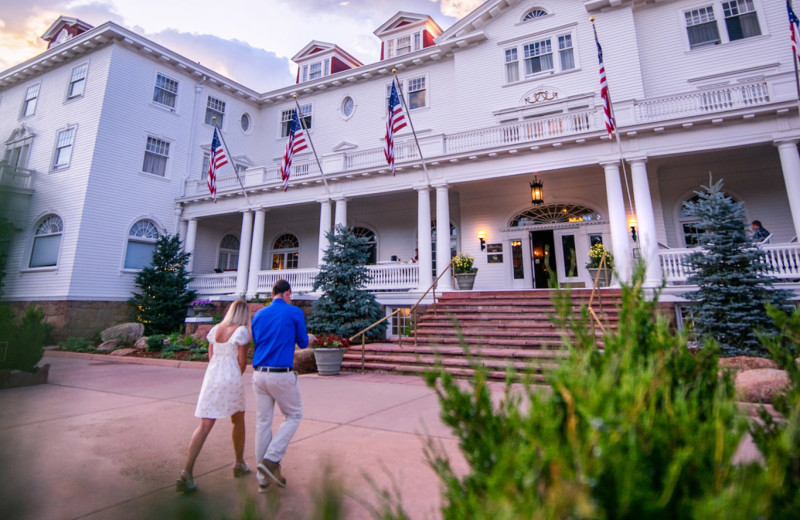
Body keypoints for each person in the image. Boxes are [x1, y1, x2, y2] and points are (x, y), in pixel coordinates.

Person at [176, 299, 252, 493]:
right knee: (238, 419)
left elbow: (211, 356)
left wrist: (218, 370)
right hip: (230, 378)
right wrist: (233, 374)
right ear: (244, 315)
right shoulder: (241, 332)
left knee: (204, 425)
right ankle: (238, 463)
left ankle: (187, 471)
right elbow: (242, 363)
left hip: (212, 377)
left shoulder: (216, 329)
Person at [251, 279, 309, 492]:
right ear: (287, 293)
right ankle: (271, 459)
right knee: (294, 415)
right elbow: (303, 342)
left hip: (258, 373)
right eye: (290, 295)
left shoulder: (258, 314)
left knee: (263, 422)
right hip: (280, 374)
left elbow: (256, 341)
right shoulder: (294, 312)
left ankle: (263, 479)